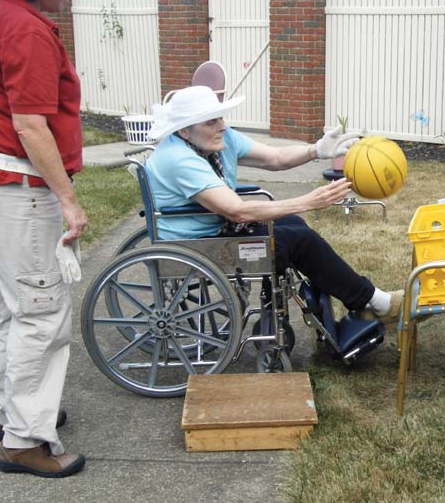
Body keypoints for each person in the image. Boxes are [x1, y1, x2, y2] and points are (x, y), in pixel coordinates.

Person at [144, 85, 403, 325]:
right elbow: (237, 211)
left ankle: (290, 307)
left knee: (293, 227)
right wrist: (308, 201)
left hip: (216, 229)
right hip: (197, 243)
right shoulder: (178, 158)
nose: (222, 125)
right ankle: (376, 302)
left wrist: (316, 150)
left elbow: (275, 158)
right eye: (211, 121)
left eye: (221, 117)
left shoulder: (217, 139)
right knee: (298, 241)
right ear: (184, 130)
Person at [0, 0, 87, 477]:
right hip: (22, 189)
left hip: (3, 184)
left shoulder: (4, 14)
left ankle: (10, 413)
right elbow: (31, 124)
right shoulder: (26, 30)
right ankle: (25, 439)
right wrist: (68, 200)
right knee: (40, 311)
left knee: (9, 311)